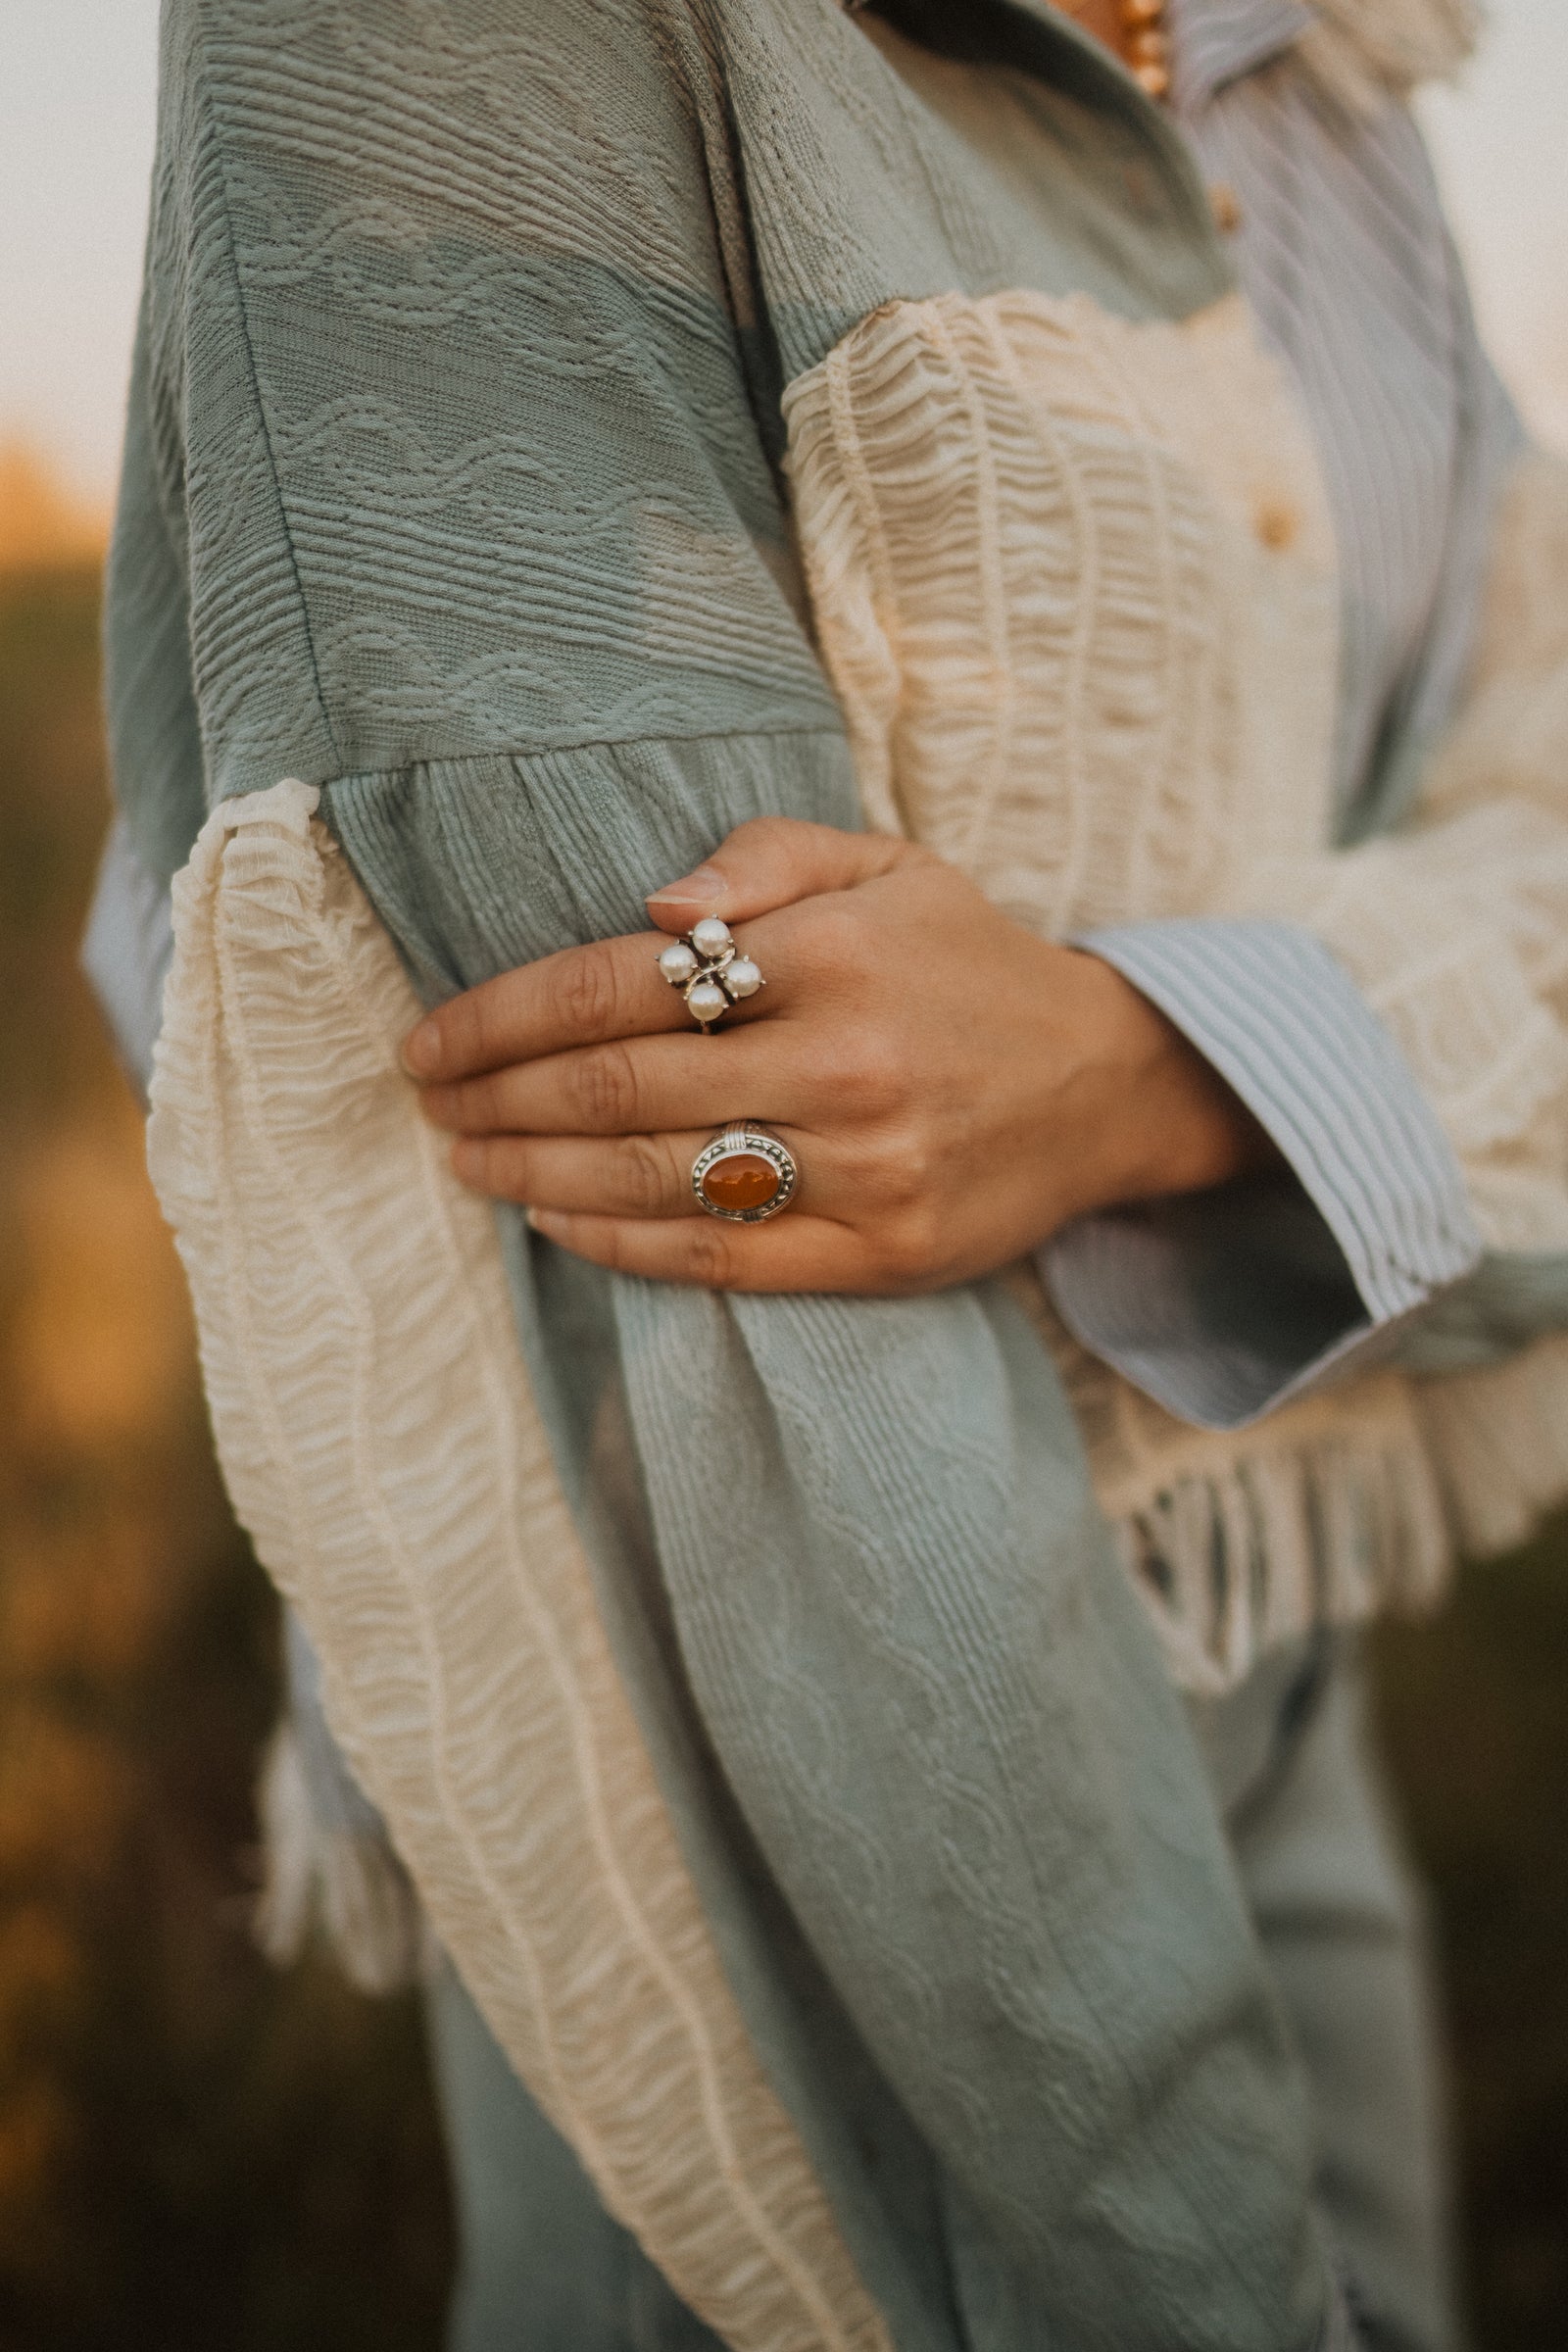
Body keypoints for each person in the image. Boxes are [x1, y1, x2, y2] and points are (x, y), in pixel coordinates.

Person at [87, 1, 1568, 2346]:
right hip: (794, 1731)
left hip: (1276, 1565)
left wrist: (1142, 1064)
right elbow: (712, 1322)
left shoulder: (1331, 76)